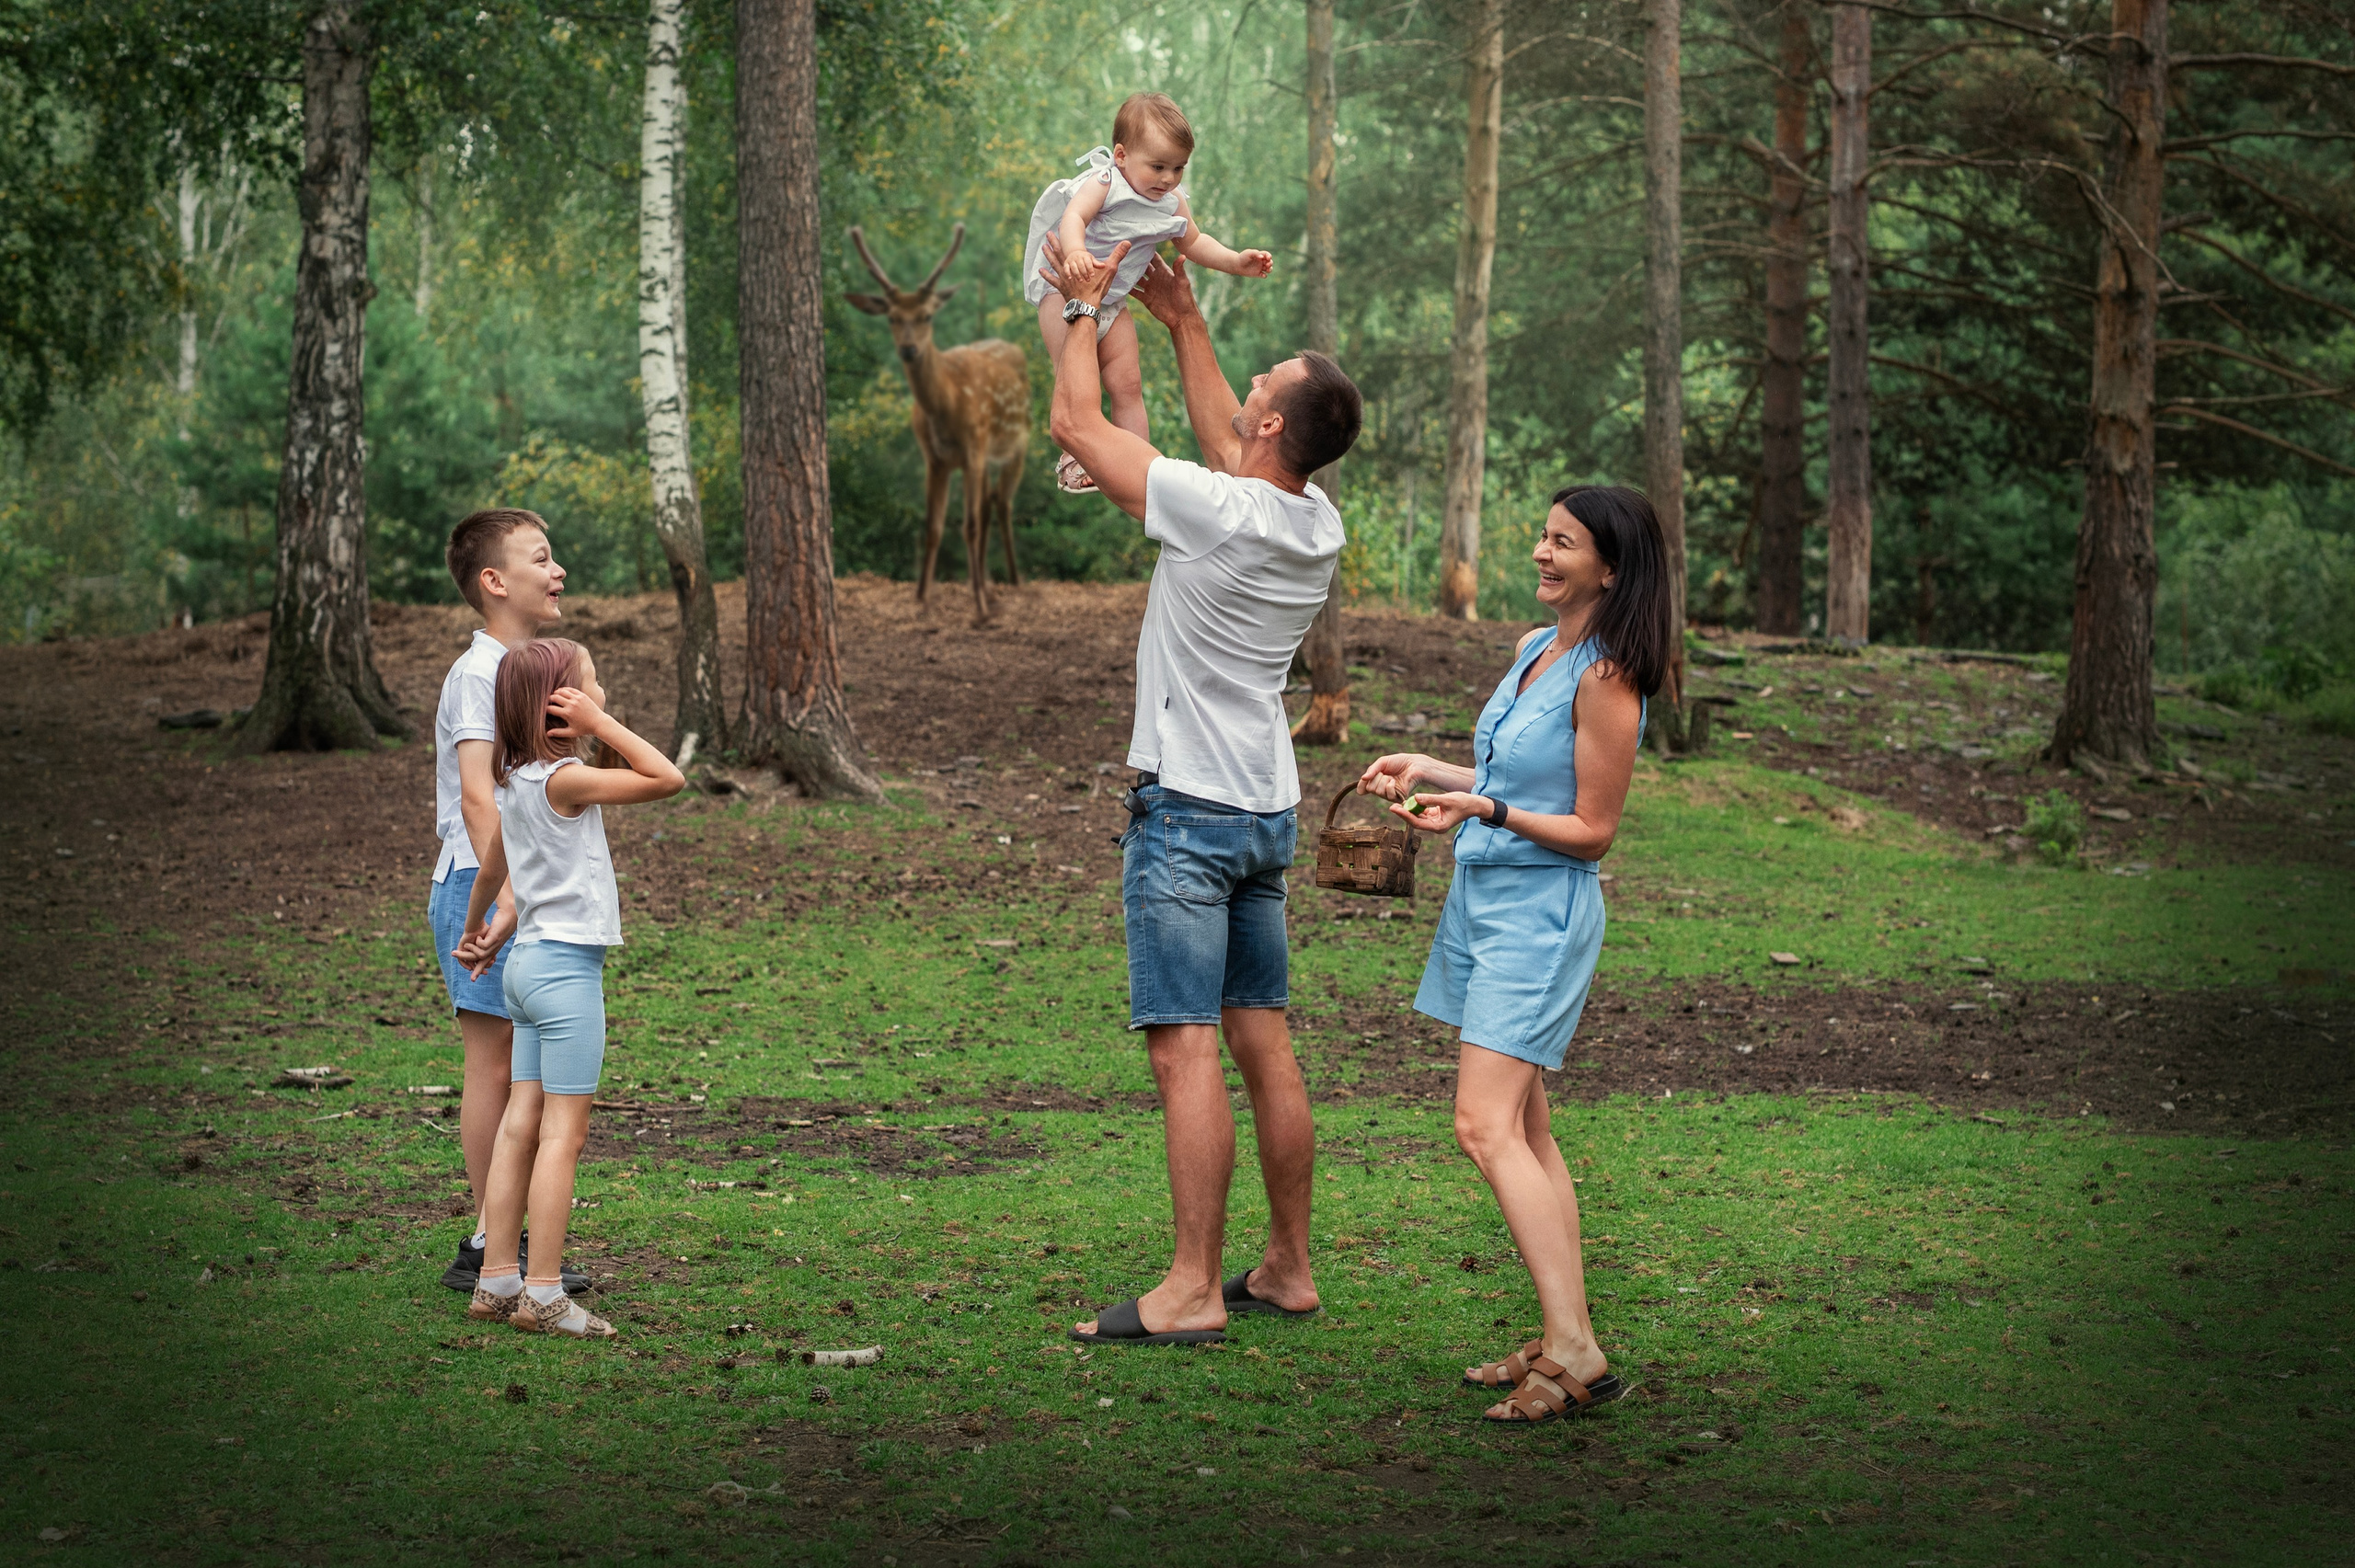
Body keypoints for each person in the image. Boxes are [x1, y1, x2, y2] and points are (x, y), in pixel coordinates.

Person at [1042, 235, 1361, 1345]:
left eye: (1262, 384)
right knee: (1261, 1041)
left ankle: (1189, 1286)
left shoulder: (1216, 508)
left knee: (1182, 1045)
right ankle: (1287, 1266)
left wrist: (1084, 309)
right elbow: (1242, 446)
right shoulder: (1312, 521)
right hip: (1263, 810)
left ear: (1270, 426)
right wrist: (1186, 322)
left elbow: (1077, 428)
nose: (1249, 390)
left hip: (1185, 812)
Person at [1356, 486, 1672, 1423]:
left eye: (1561, 542)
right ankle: (1565, 1330)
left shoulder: (1609, 674)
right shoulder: (1539, 650)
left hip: (1540, 915)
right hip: (1483, 900)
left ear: (1608, 568)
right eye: (1542, 536)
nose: (1539, 552)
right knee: (1528, 1130)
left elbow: (1592, 828)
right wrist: (1433, 770)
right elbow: (1504, 775)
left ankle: (1574, 1346)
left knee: (1482, 1125)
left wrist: (1484, 810)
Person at [453, 639, 685, 1337]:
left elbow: (498, 867)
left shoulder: (518, 783)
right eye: (589, 685)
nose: (600, 692)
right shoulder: (566, 779)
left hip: (526, 968)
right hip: (565, 975)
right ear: (560, 705)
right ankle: (546, 1291)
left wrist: (480, 930)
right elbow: (667, 777)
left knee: (522, 1121)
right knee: (565, 1133)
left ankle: (497, 1276)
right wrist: (600, 726)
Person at [427, 509, 587, 1298]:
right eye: (542, 557)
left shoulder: (521, 666)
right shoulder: (478, 672)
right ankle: (490, 1245)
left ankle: (505, 1239)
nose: (558, 571)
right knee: (493, 1062)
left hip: (519, 888)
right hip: (480, 884)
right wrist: (511, 895)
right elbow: (477, 795)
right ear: (495, 581)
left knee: (519, 1063)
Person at [1023, 91, 1274, 494]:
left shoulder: (1170, 203)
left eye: (1178, 168)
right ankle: (1074, 462)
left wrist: (1234, 261)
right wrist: (1075, 254)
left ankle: (1136, 462)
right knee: (1074, 374)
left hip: (1113, 302)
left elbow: (1194, 242)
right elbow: (1074, 216)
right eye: (1158, 166)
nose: (1168, 179)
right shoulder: (1105, 183)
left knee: (1128, 382)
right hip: (1066, 294)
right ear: (1121, 156)